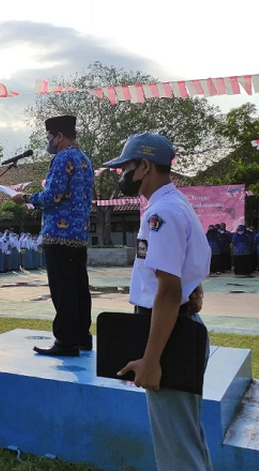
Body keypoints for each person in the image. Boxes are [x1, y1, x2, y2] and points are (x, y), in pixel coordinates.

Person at [106, 133, 213, 471]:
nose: (121, 175)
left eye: (125, 168)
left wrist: (151, 361)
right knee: (185, 439)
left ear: (146, 166)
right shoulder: (173, 204)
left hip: (170, 337)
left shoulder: (162, 213)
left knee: (178, 452)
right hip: (176, 327)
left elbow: (167, 291)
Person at [13, 115, 94, 356]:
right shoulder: (85, 160)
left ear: (59, 136)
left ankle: (66, 341)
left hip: (58, 235)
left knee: (63, 289)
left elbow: (52, 196)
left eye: (49, 137)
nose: (48, 142)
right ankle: (82, 337)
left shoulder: (62, 158)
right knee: (79, 287)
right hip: (78, 235)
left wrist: (25, 198)